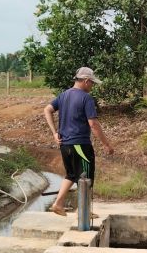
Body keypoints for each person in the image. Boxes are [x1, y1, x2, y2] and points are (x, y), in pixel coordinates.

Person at [44, 66, 114, 216]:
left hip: (65, 145)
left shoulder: (63, 95)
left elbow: (47, 110)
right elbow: (93, 124)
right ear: (86, 81)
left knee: (71, 175)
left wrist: (54, 133)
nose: (92, 86)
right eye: (92, 83)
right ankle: (84, 212)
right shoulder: (86, 98)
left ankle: (58, 204)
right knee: (86, 177)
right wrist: (106, 144)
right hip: (80, 145)